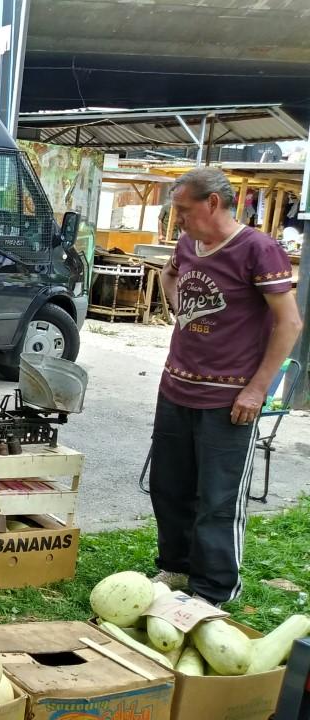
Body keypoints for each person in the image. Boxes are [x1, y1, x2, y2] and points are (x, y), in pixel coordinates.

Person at [149, 166, 302, 605]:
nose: (177, 218)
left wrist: (257, 389)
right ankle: (175, 569)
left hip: (230, 398)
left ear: (212, 202)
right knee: (169, 486)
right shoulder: (186, 244)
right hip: (176, 387)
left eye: (182, 209)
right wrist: (183, 313)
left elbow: (289, 323)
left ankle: (213, 590)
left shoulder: (259, 249)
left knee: (217, 498)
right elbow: (170, 274)